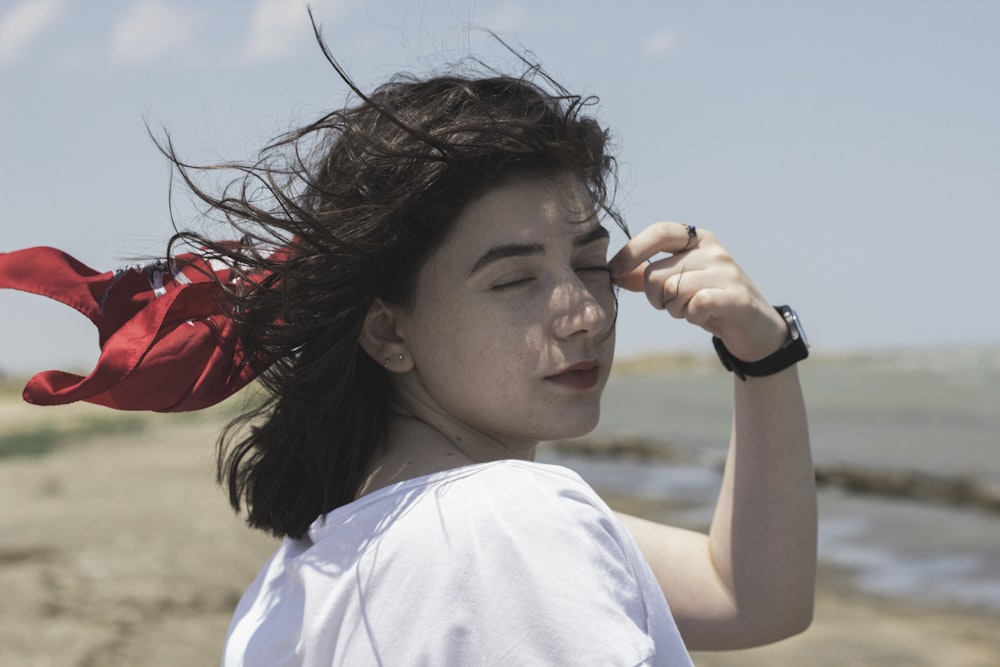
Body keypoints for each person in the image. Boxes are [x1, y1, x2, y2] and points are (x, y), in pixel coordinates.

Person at [3, 27, 816, 666]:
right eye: (514, 280)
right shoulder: (511, 526)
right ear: (389, 328)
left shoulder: (308, 570)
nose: (585, 313)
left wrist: (762, 350)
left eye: (592, 262)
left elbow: (753, 594)